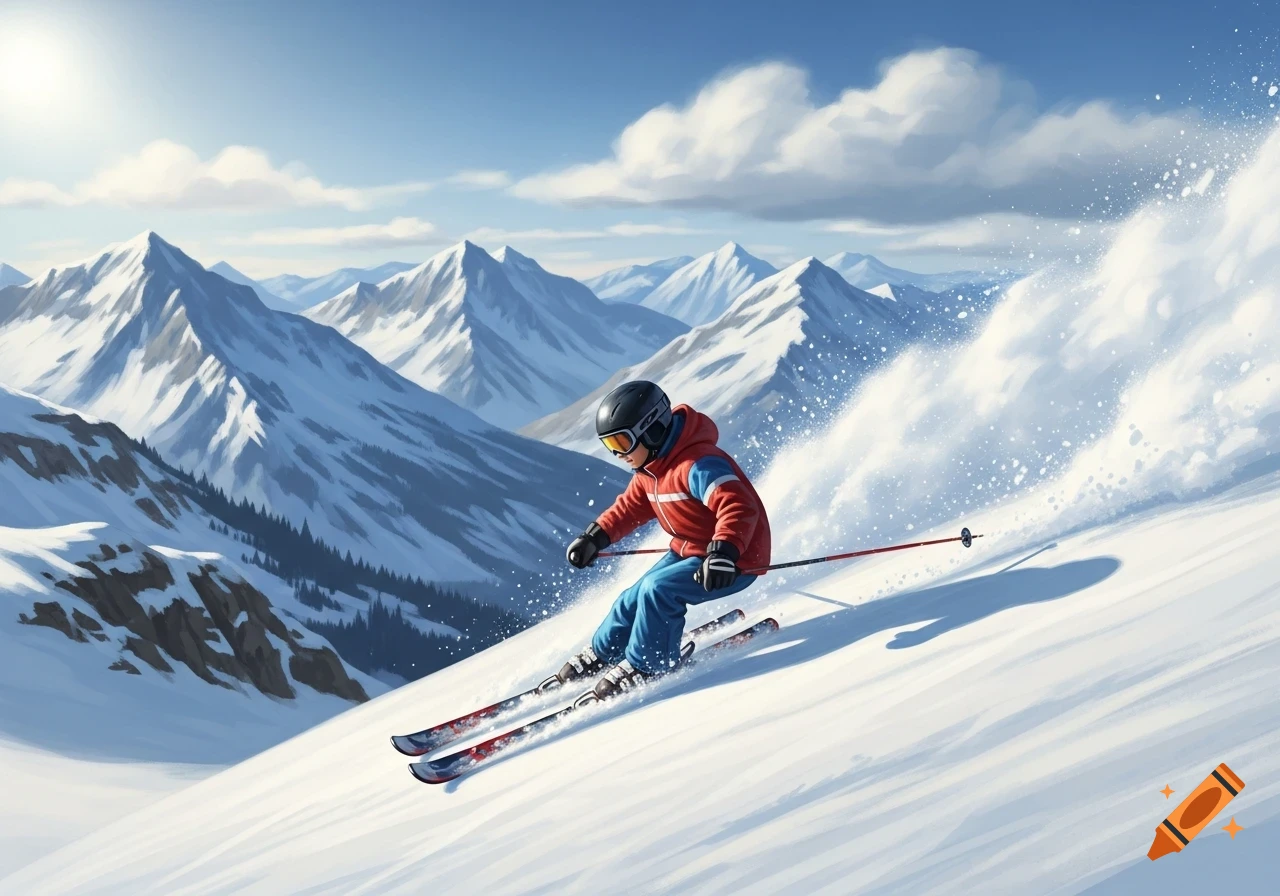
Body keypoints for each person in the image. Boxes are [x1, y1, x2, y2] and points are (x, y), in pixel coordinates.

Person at [560, 380, 771, 699]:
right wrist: (595, 536)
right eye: (610, 446)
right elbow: (628, 508)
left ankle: (650, 662)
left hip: (733, 560)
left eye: (622, 442)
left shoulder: (697, 464)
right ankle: (605, 652)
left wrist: (724, 552)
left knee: (657, 591)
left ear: (652, 429)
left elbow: (738, 504)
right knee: (632, 597)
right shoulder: (650, 471)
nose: (619, 455)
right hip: (689, 550)